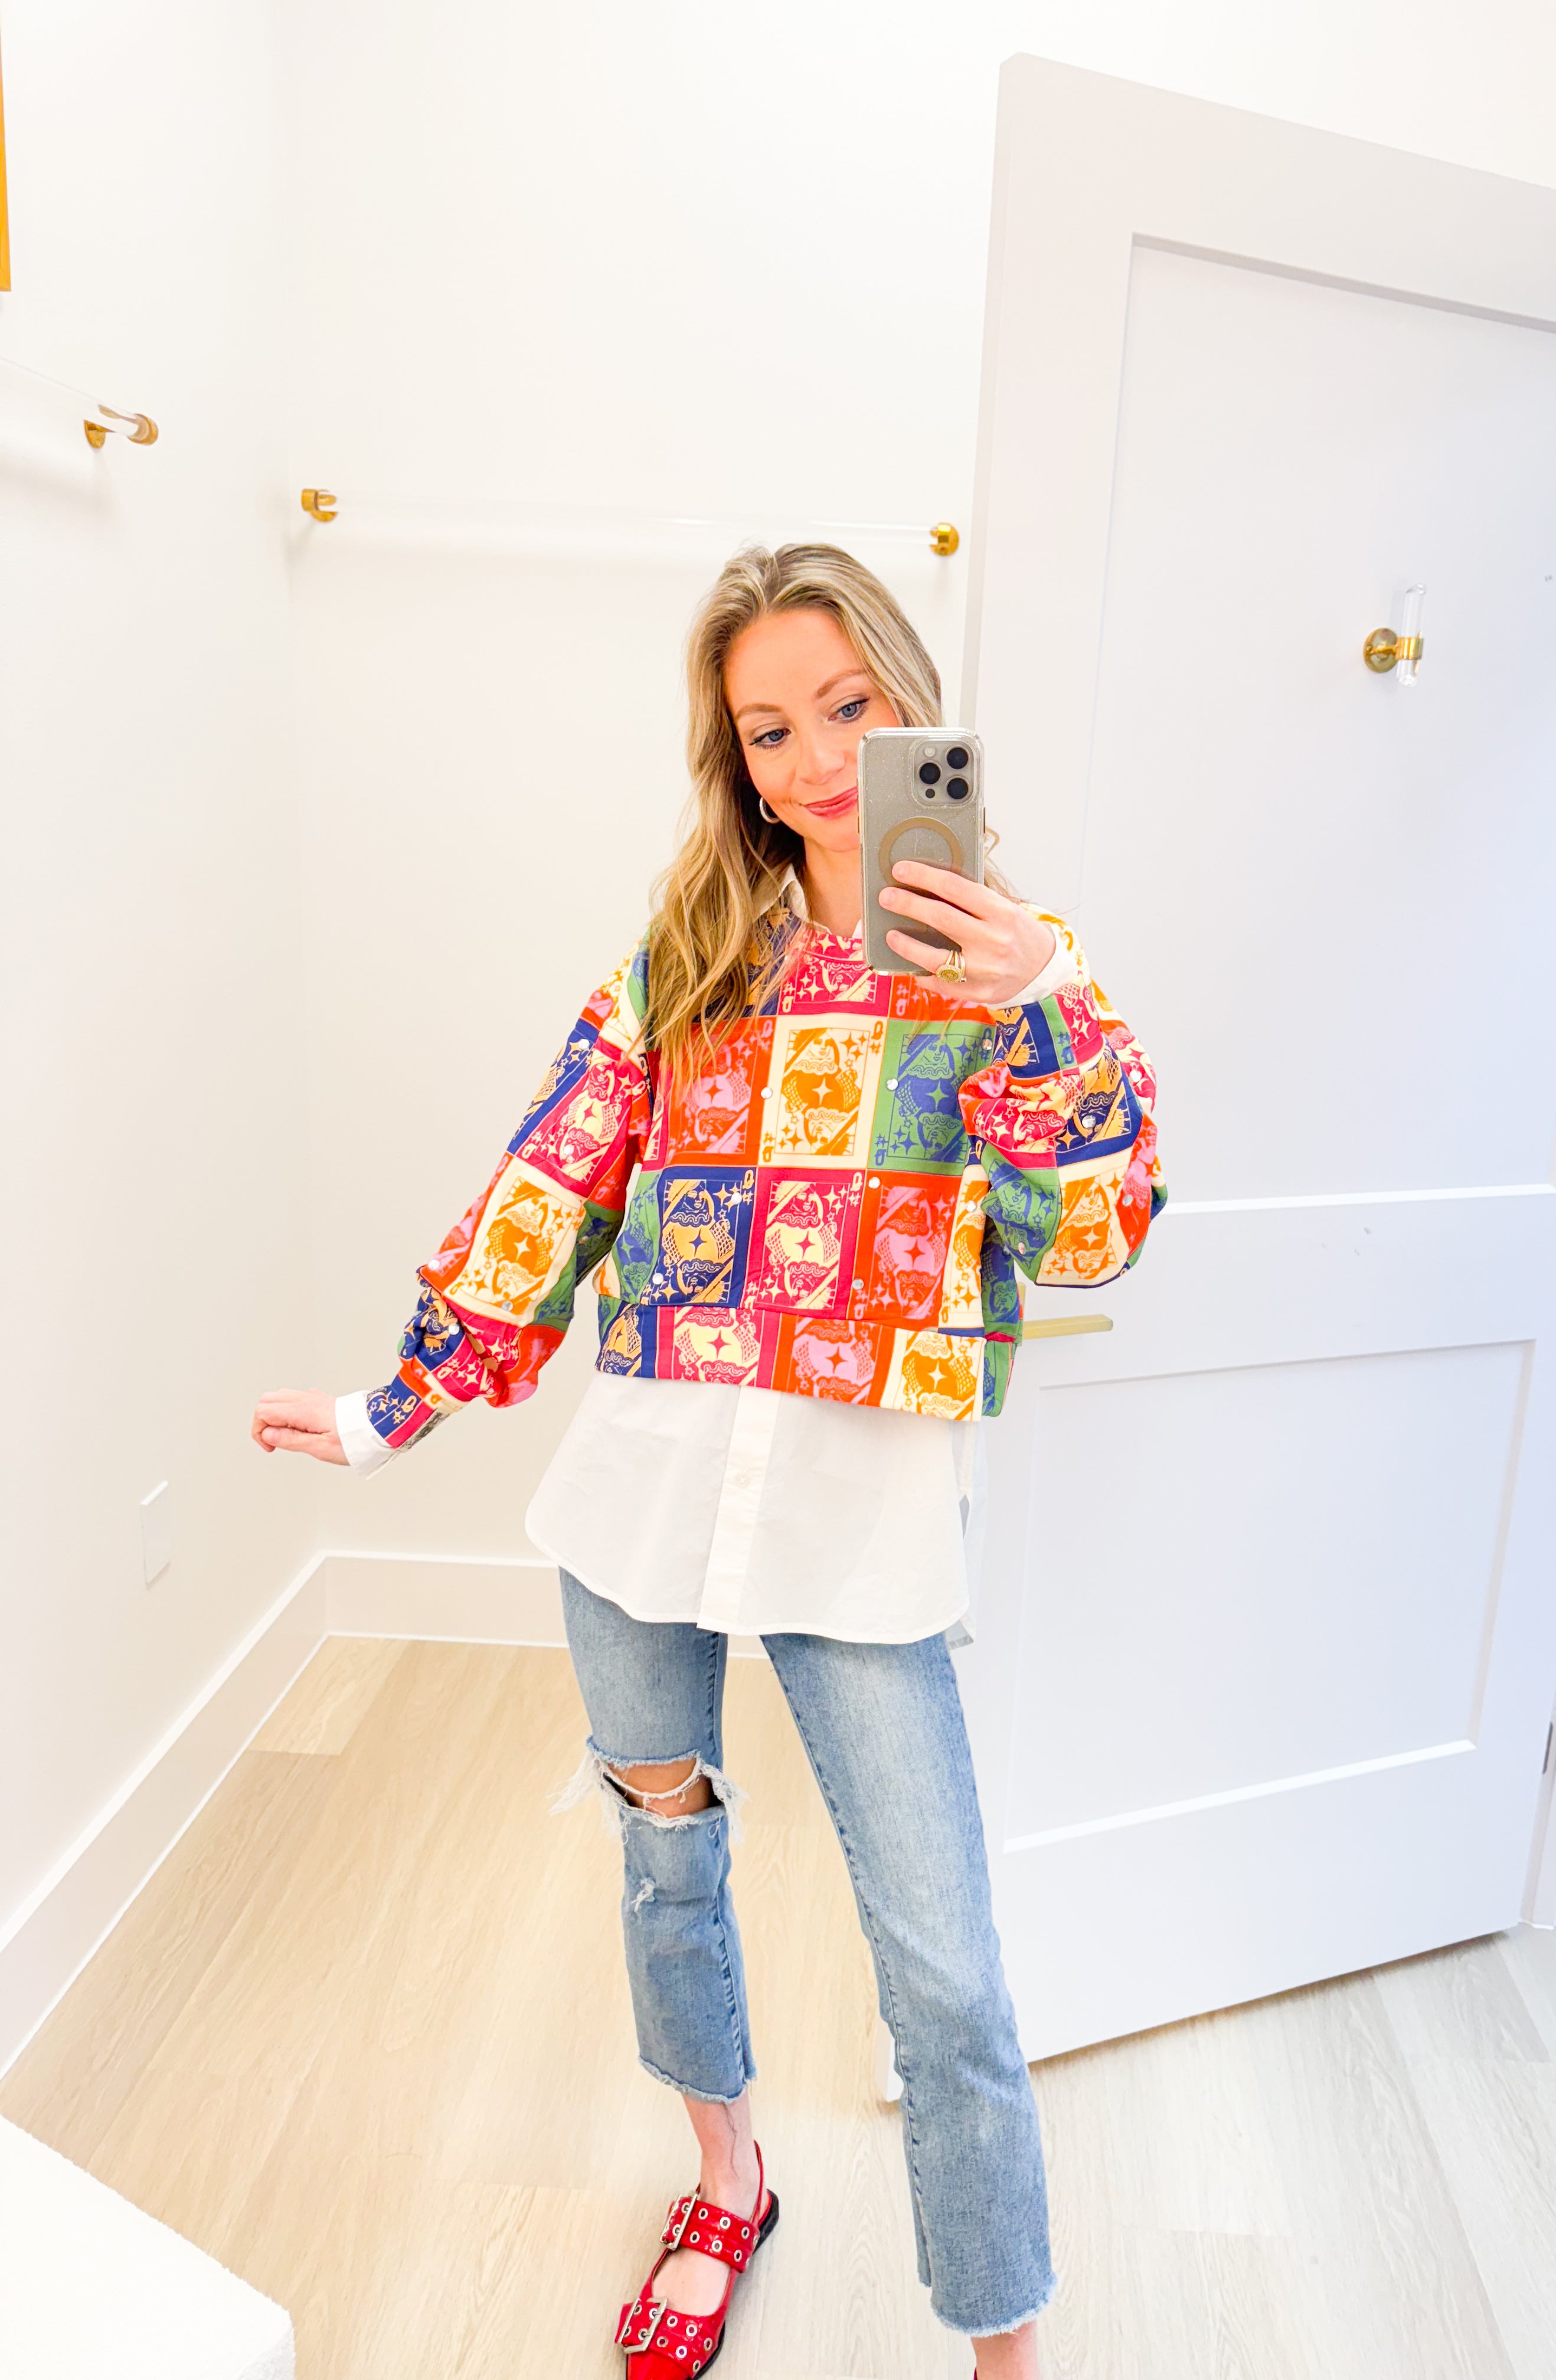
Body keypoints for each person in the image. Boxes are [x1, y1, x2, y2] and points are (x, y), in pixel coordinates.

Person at [252, 544, 1164, 2379]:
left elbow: (1091, 1239)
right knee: (667, 1862)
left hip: (860, 1522)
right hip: (644, 1499)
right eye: (769, 730)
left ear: (910, 705)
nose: (817, 761)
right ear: (732, 757)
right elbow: (550, 1183)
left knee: (947, 1972)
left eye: (847, 708)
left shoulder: (1005, 965)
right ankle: (726, 2180)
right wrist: (392, 1407)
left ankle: (1005, 2348)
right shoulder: (683, 964)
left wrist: (1045, 1000)